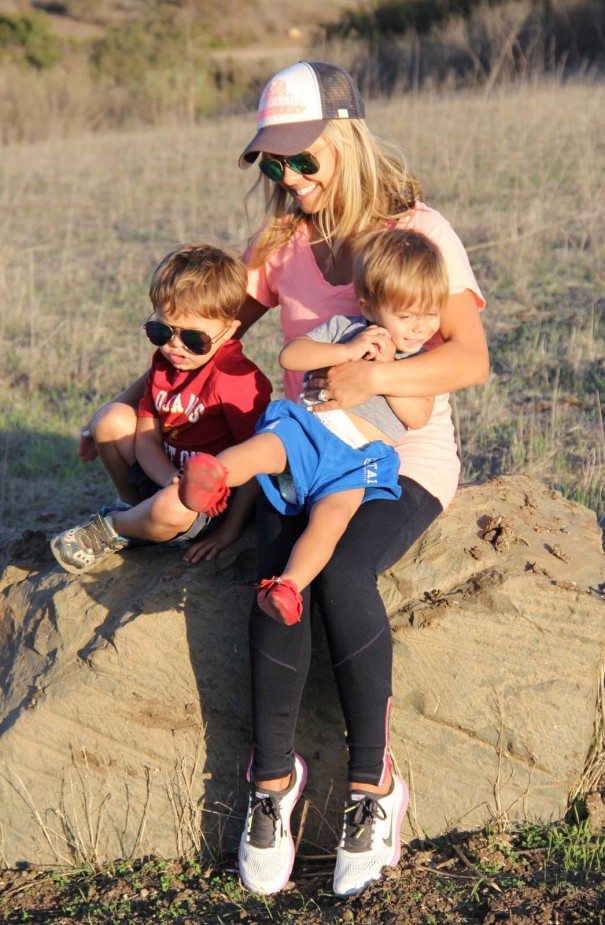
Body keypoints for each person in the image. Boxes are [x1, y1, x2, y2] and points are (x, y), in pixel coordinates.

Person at [232, 60, 489, 898]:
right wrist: (132, 411)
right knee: (275, 576)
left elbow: (469, 356)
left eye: (304, 159)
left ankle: (373, 789)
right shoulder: (281, 245)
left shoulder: (417, 230)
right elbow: (210, 321)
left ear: (345, 138)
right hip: (310, 451)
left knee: (341, 571)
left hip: (400, 458)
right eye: (275, 164)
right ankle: (271, 785)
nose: (290, 178)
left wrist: (368, 377)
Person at [177, 228, 447, 628]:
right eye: (407, 316)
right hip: (309, 433)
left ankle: (287, 587)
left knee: (332, 521)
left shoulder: (416, 362)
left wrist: (386, 373)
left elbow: (418, 416)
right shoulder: (346, 328)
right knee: (268, 447)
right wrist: (348, 351)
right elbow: (292, 355)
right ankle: (215, 475)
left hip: (353, 464)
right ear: (370, 305)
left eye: (430, 314)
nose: (420, 327)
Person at [51, 242, 272, 574]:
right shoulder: (164, 364)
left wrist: (230, 529)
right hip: (165, 476)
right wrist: (169, 477)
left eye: (194, 338)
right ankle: (134, 511)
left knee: (173, 507)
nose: (175, 346)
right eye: (161, 331)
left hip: (209, 504)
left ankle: (115, 527)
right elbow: (146, 439)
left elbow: (260, 462)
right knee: (109, 419)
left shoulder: (236, 380)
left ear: (230, 331)